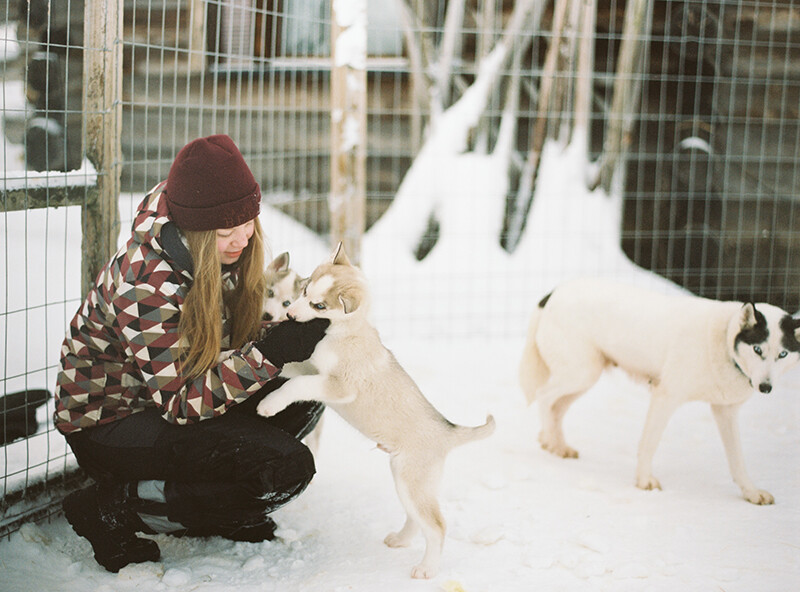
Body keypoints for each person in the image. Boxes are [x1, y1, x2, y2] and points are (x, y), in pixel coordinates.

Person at [54, 134, 329, 572]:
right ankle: (113, 507)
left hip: (163, 399)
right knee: (284, 468)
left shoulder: (202, 249)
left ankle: (220, 506)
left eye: (247, 226)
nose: (241, 240)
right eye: (226, 233)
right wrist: (269, 353)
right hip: (111, 424)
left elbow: (213, 340)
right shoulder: (145, 280)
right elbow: (183, 402)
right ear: (198, 230)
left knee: (303, 394)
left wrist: (283, 333)